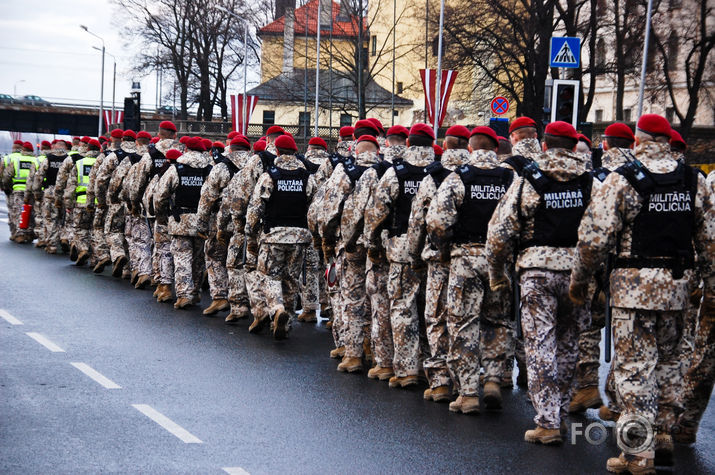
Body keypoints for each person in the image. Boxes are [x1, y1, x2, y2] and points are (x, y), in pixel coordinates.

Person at [569, 114, 713, 473]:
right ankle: (663, 434)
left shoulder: (624, 178)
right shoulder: (693, 181)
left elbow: (593, 237)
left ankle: (637, 452)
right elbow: (710, 243)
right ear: (667, 141)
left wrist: (581, 279)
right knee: (670, 364)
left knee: (635, 371)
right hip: (677, 290)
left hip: (633, 290)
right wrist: (710, 287)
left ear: (639, 141)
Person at [487, 121, 593, 445]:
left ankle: (547, 422)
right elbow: (602, 235)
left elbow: (500, 231)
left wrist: (496, 272)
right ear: (575, 147)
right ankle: (559, 413)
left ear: (545, 145)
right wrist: (593, 276)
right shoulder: (590, 181)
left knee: (540, 346)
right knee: (568, 344)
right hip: (576, 270)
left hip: (537, 272)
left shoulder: (529, 179)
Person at [426, 125, 514, 413]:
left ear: (471, 149)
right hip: (500, 259)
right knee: (498, 321)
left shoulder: (459, 177)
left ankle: (467, 393)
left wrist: (443, 247)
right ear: (497, 148)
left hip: (465, 257)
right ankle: (492, 377)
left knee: (463, 324)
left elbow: (438, 221)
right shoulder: (510, 177)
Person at [570, 122, 637, 420]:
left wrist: (583, 273)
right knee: (632, 338)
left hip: (603, 268)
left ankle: (586, 387)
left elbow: (592, 230)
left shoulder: (598, 179)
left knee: (588, 327)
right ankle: (622, 400)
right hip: (641, 271)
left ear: (605, 146)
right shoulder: (648, 175)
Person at [364, 123, 436, 388]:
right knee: (432, 311)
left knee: (403, 309)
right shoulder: (441, 172)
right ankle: (434, 371)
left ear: (409, 144)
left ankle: (406, 370)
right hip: (435, 253)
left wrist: (372, 244)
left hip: (401, 250)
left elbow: (376, 211)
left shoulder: (397, 172)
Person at [406, 124, 471, 402]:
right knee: (467, 320)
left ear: (445, 146)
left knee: (436, 319)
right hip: (475, 257)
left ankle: (441, 380)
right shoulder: (487, 176)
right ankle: (467, 383)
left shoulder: (435, 177)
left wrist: (415, 254)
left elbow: (421, 220)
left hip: (441, 259)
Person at [244, 134, 318, 339]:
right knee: (291, 279)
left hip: (273, 235)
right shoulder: (307, 177)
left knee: (270, 276)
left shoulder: (270, 175)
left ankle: (277, 309)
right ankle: (285, 323)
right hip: (300, 236)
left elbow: (255, 209)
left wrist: (250, 236)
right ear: (295, 152)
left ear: (276, 152)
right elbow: (315, 209)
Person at [320, 134, 383, 373]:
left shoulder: (345, 172)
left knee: (352, 299)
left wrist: (329, 240)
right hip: (381, 246)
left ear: (356, 150)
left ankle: (354, 353)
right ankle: (378, 355)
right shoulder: (386, 170)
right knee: (377, 302)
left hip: (352, 245)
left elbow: (329, 209)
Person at [196, 134, 252, 317]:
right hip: (249, 221)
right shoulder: (256, 165)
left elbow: (207, 197)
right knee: (244, 261)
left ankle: (220, 296)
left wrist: (202, 223)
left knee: (214, 256)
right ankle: (246, 300)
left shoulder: (222, 167)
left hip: (223, 220)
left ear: (231, 148)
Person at [155, 137, 213, 309]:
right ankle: (195, 292)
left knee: (182, 258)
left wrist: (161, 217)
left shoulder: (176, 169)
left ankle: (184, 294)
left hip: (180, 219)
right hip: (203, 220)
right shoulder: (210, 169)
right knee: (198, 260)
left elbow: (160, 195)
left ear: (186, 149)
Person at [214, 135, 255, 322]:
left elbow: (216, 200)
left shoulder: (223, 167)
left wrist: (220, 227)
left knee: (233, 263)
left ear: (230, 149)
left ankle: (238, 306)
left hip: (236, 224)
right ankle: (260, 307)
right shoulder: (261, 166)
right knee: (255, 266)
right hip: (261, 226)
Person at [88, 129, 122, 272]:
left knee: (99, 228)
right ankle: (126, 268)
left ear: (111, 139)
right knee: (124, 232)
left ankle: (103, 255)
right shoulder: (137, 156)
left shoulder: (106, 156)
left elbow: (97, 180)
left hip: (108, 200)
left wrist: (98, 200)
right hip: (125, 201)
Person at [63, 139, 102, 266]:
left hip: (81, 201)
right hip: (98, 202)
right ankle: (95, 259)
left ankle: (83, 249)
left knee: (80, 228)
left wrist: (68, 204)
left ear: (88, 149)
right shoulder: (102, 163)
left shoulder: (79, 163)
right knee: (95, 230)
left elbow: (71, 186)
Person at [27, 139, 69, 254]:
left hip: (50, 191)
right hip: (65, 192)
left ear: (54, 147)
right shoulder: (69, 159)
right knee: (63, 219)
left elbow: (39, 177)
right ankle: (64, 238)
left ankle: (52, 245)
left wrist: (37, 193)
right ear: (65, 148)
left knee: (50, 219)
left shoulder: (48, 158)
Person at [2, 142, 36, 243]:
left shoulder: (16, 160)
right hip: (32, 190)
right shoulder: (36, 160)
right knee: (31, 212)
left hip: (17, 189)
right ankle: (30, 233)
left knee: (18, 212)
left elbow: (6, 176)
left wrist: (5, 187)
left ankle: (20, 234)